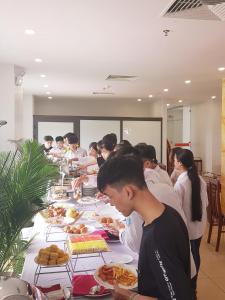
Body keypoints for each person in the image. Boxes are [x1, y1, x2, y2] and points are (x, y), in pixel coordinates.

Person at [97, 155, 194, 300]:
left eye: (110, 196)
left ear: (129, 192)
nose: (110, 203)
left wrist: (131, 296)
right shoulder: (166, 212)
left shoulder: (158, 236)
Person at [174, 149, 208, 296]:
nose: (173, 162)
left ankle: (189, 287)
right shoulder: (200, 179)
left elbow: (176, 208)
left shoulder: (181, 182)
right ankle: (193, 286)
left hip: (187, 228)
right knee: (195, 254)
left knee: (189, 257)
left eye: (174, 160)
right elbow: (205, 203)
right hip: (199, 226)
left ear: (180, 163)